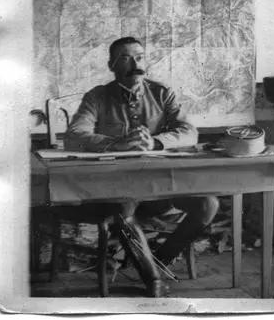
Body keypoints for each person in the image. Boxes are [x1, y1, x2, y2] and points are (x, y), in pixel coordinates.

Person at [65, 37, 219, 297]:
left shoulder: (161, 93)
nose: (136, 64)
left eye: (140, 57)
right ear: (112, 65)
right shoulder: (97, 96)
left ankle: (160, 259)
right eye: (126, 58)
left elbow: (189, 131)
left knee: (208, 204)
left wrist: (157, 142)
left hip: (162, 187)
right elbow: (74, 135)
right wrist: (116, 144)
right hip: (117, 188)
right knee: (122, 209)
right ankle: (154, 281)